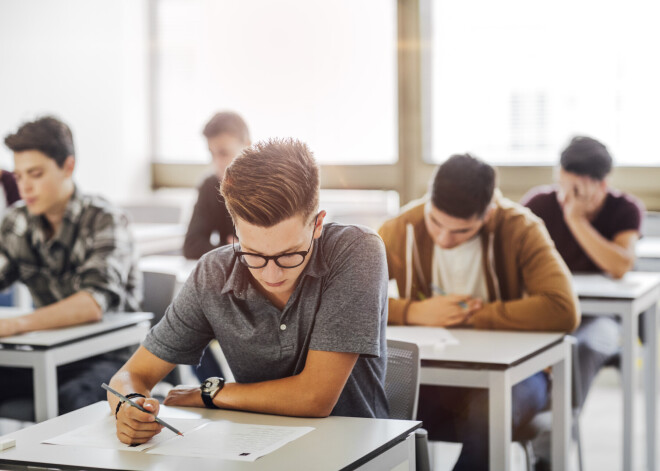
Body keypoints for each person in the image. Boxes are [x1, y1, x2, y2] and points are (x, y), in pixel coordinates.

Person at [109, 138, 389, 445]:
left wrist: (211, 393)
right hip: (255, 449)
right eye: (252, 254)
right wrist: (128, 405)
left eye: (290, 254)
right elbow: (129, 376)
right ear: (235, 227)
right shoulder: (213, 272)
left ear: (318, 224)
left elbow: (314, 398)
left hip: (356, 451)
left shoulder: (356, 250)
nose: (272, 274)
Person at [378, 153, 579, 471]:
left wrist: (472, 315)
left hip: (519, 376)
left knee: (486, 416)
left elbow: (563, 309)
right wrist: (414, 312)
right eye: (436, 223)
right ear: (429, 201)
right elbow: (351, 298)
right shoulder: (405, 225)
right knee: (375, 405)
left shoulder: (521, 228)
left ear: (489, 212)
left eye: (460, 231)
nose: (444, 238)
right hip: (437, 373)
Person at [0, 116, 142, 414]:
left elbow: (93, 303)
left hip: (113, 359)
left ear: (68, 166)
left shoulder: (105, 219)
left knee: (73, 399)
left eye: (35, 174)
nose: (25, 187)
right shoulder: (16, 221)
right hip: (47, 354)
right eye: (19, 176)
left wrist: (15, 324)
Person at [522, 136, 643, 470]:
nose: (570, 197)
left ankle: (548, 451)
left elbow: (620, 265)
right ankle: (535, 424)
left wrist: (577, 220)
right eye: (566, 185)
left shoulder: (625, 208)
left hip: (603, 316)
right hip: (551, 312)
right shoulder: (539, 203)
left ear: (602, 185)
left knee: (583, 347)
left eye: (581, 190)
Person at [182, 111, 251, 260]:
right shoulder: (210, 186)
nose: (217, 163)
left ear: (247, 146)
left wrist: (239, 248)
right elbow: (191, 246)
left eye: (224, 153)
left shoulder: (271, 185)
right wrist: (232, 249)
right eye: (212, 154)